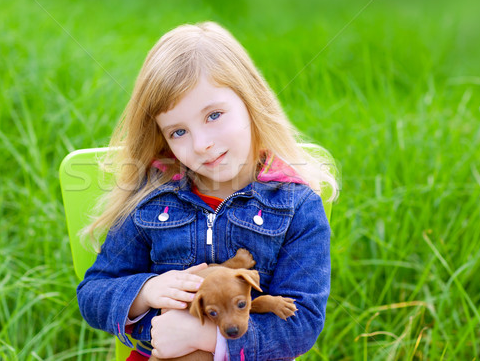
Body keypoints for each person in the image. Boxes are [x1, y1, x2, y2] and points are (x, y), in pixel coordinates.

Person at [77, 21, 337, 360]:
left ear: (251, 101)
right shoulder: (152, 199)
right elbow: (93, 292)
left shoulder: (296, 205)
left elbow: (302, 321)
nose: (202, 144)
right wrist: (145, 292)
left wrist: (208, 338)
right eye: (178, 132)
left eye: (213, 115)